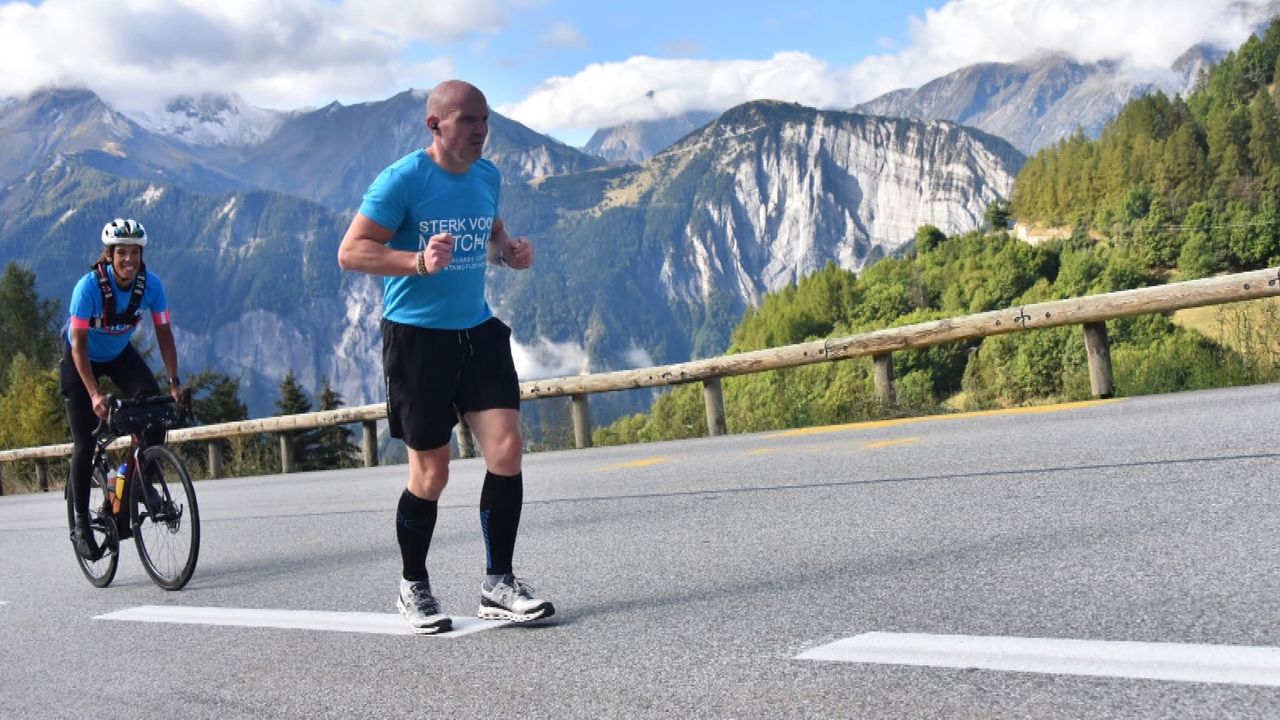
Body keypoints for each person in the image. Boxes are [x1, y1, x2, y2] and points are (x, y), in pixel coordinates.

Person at [337, 80, 554, 634]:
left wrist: (508, 252)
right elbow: (352, 251)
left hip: (475, 330)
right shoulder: (403, 180)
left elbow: (492, 228)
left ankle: (497, 583)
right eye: (467, 121)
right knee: (431, 473)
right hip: (417, 339)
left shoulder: (487, 176)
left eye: (485, 120)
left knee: (507, 448)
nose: (480, 130)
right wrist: (418, 262)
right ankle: (413, 584)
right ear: (434, 125)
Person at [62, 218, 183, 560]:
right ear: (110, 255)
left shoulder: (151, 285)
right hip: (80, 360)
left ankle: (141, 481)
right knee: (85, 441)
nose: (128, 259)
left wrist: (174, 382)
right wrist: (94, 394)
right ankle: (82, 522)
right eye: (121, 253)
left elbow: (164, 335)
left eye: (134, 252)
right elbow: (78, 346)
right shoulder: (88, 288)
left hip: (118, 355)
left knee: (157, 413)